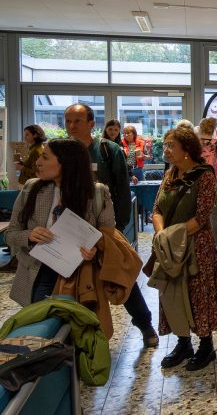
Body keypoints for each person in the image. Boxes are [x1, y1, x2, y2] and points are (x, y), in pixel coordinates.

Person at [64, 104, 158, 348]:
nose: (72, 126)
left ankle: (145, 324)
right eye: (68, 121)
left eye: (77, 121)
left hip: (105, 229)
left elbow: (123, 191)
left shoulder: (108, 150)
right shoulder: (61, 152)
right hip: (71, 231)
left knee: (120, 277)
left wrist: (119, 229)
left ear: (91, 124)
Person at [6, 139, 115, 304]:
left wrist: (95, 251)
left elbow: (109, 239)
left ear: (66, 163)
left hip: (80, 276)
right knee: (41, 325)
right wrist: (29, 235)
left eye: (45, 157)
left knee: (77, 326)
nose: (38, 162)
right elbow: (10, 234)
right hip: (38, 272)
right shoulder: (31, 189)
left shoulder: (96, 194)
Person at [152, 127, 217, 371]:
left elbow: (202, 217)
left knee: (198, 295)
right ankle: (183, 342)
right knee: (173, 294)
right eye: (165, 145)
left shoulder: (205, 176)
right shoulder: (170, 174)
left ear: (187, 150)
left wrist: (171, 236)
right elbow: (157, 210)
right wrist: (162, 234)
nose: (166, 150)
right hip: (170, 246)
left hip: (196, 246)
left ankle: (206, 346)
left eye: (171, 145)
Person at [197, 117, 217, 241]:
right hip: (216, 182)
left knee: (198, 215)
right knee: (215, 216)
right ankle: (213, 247)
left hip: (198, 182)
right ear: (213, 128)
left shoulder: (195, 144)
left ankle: (201, 245)